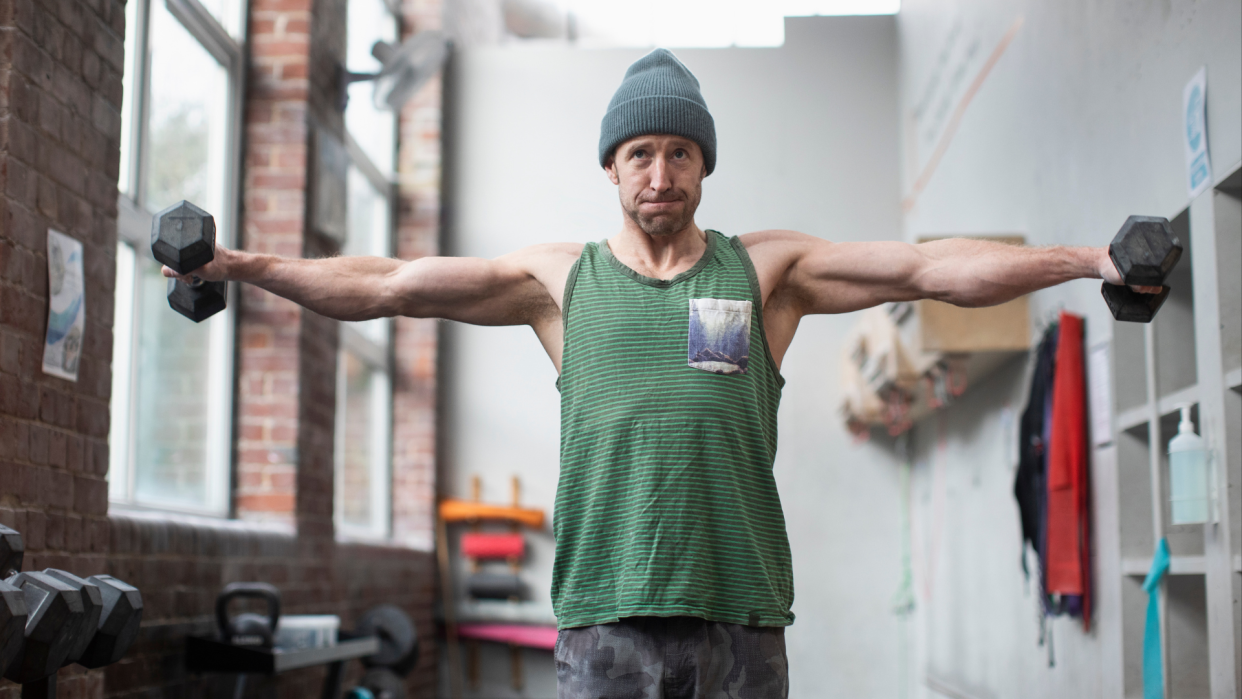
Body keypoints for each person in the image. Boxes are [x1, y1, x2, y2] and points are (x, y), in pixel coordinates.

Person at [166, 49, 1152, 698]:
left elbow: (928, 266)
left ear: (702, 166)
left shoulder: (767, 272)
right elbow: (387, 283)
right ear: (612, 166)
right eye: (641, 152)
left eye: (680, 152)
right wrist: (242, 267)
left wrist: (1089, 262)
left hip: (741, 619)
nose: (660, 172)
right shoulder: (558, 282)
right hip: (607, 621)